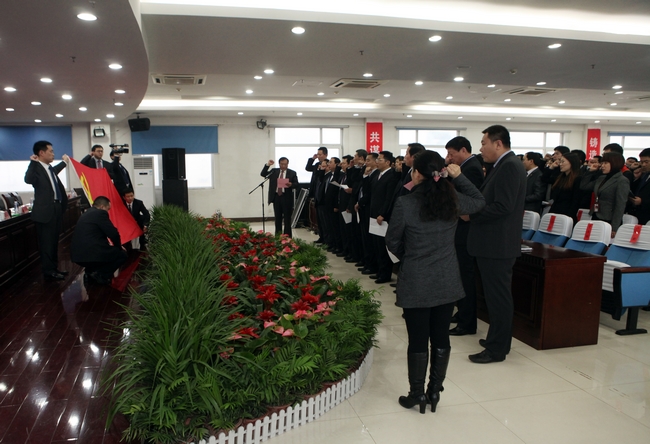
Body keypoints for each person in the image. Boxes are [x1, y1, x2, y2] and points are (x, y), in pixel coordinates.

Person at [386, 151, 485, 413]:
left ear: (417, 173)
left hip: (416, 279)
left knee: (418, 339)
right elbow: (479, 201)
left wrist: (410, 257)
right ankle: (434, 391)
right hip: (446, 278)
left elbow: (392, 241)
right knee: (441, 336)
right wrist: (459, 177)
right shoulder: (452, 199)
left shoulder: (405, 203)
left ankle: (417, 394)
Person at [467, 125, 526, 364]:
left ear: (498, 144)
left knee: (498, 298)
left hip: (497, 244)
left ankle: (497, 349)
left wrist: (471, 214)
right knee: (494, 297)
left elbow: (503, 206)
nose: (481, 148)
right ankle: (498, 340)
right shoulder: (502, 165)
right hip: (492, 243)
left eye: (484, 143)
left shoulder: (510, 166)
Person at [444, 136, 484, 337]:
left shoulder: (471, 168)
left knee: (465, 276)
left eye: (451, 154)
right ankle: (461, 313)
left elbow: (470, 201)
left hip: (466, 229)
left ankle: (467, 322)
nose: (449, 158)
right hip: (458, 227)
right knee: (459, 275)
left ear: (463, 150)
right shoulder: (462, 167)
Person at [24, 141, 70, 281]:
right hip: (45, 212)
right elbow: (28, 179)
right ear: (41, 153)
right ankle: (48, 271)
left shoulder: (49, 169)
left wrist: (64, 162)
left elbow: (55, 171)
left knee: (54, 241)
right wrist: (32, 163)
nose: (53, 154)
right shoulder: (36, 168)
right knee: (46, 243)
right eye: (51, 151)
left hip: (55, 208)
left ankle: (54, 268)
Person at [71, 196, 127, 285]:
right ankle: (101, 275)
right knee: (122, 255)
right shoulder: (100, 214)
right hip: (91, 253)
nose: (108, 212)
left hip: (77, 255)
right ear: (102, 207)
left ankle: (89, 273)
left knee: (101, 252)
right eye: (108, 209)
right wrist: (119, 247)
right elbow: (113, 234)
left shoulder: (87, 213)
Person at [580, 152, 630, 235]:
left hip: (609, 218)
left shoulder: (622, 180)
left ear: (615, 163)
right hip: (596, 214)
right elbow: (584, 186)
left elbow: (620, 205)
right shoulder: (602, 178)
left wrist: (614, 227)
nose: (602, 166)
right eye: (602, 163)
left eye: (605, 163)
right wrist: (590, 172)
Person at [369, 151, 399, 284]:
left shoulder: (391, 176)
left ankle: (385, 273)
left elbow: (389, 198)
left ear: (387, 162)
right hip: (373, 214)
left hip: (382, 216)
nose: (377, 162)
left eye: (380, 160)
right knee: (375, 244)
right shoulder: (377, 174)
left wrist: (383, 214)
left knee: (382, 246)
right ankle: (379, 270)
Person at [260, 157, 298, 237]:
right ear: (279, 164)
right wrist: (268, 165)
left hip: (286, 197)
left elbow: (296, 184)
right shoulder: (274, 171)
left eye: (285, 164)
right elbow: (263, 174)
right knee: (278, 218)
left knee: (287, 219)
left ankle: (287, 237)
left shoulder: (292, 173)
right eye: (282, 164)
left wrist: (291, 184)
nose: (283, 166)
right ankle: (278, 236)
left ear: (288, 164)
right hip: (277, 197)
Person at [542, 153, 583, 222]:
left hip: (567, 215)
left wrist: (568, 218)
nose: (560, 164)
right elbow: (544, 179)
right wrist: (551, 167)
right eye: (560, 161)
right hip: (555, 211)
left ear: (572, 162)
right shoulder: (561, 177)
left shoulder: (578, 179)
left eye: (563, 162)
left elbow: (575, 201)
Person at [629, 148, 650, 225]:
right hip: (639, 214)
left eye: (646, 162)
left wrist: (642, 201)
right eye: (641, 162)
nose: (643, 165)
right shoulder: (644, 174)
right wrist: (636, 178)